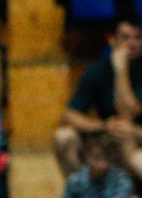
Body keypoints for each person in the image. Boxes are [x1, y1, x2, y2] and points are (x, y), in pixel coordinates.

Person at [54, 13, 142, 179]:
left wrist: (120, 70)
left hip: (137, 135)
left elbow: (128, 113)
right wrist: (102, 126)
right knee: (63, 137)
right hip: (110, 134)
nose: (132, 43)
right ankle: (85, 194)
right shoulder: (97, 71)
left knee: (127, 139)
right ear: (113, 40)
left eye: (138, 38)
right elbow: (70, 114)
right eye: (125, 37)